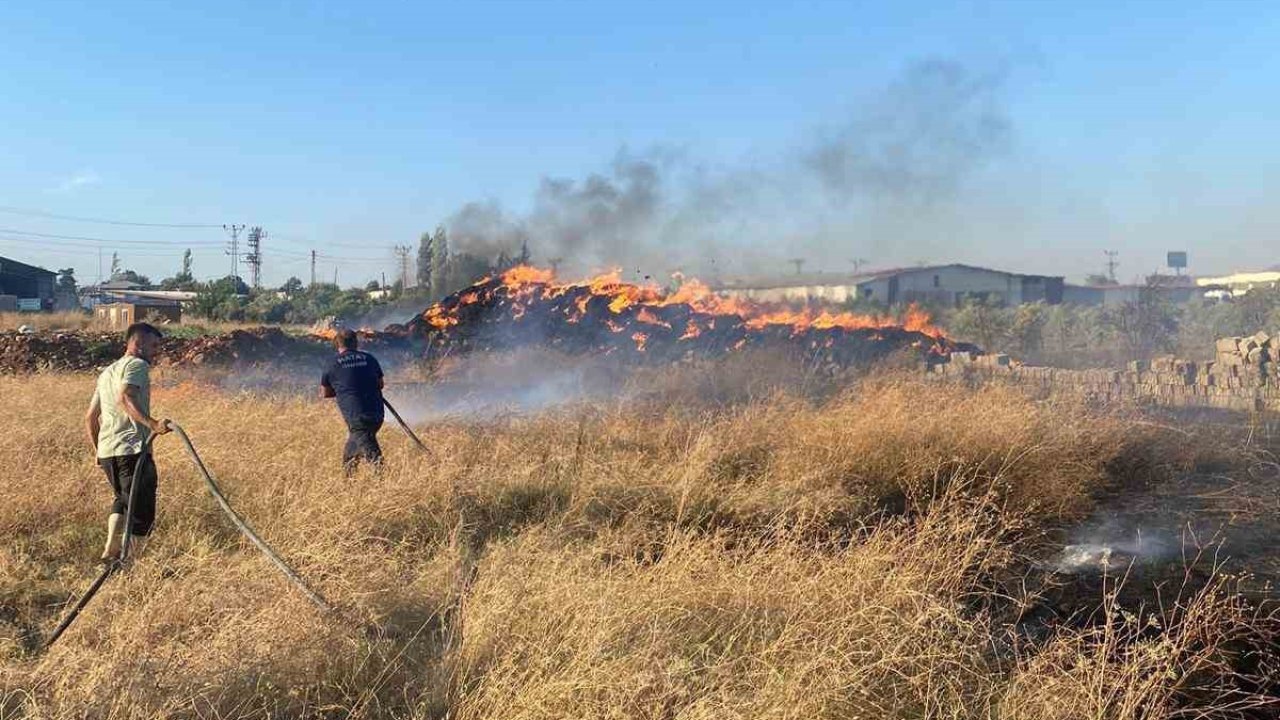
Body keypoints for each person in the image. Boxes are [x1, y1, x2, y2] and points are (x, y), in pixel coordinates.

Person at [85, 322, 171, 564]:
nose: (156, 351)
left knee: (122, 499)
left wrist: (98, 452)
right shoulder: (137, 365)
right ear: (138, 343)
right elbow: (125, 397)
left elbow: (90, 417)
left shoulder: (107, 372)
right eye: (153, 345)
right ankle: (127, 563)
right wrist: (153, 424)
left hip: (109, 452)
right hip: (132, 450)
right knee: (142, 512)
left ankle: (110, 551)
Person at [320, 329, 386, 471]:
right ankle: (349, 484)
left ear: (337, 344)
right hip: (377, 414)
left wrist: (344, 388)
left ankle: (384, 482)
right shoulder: (369, 358)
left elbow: (326, 393)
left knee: (373, 455)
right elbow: (380, 384)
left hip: (357, 417)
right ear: (356, 343)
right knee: (350, 456)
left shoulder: (332, 363)